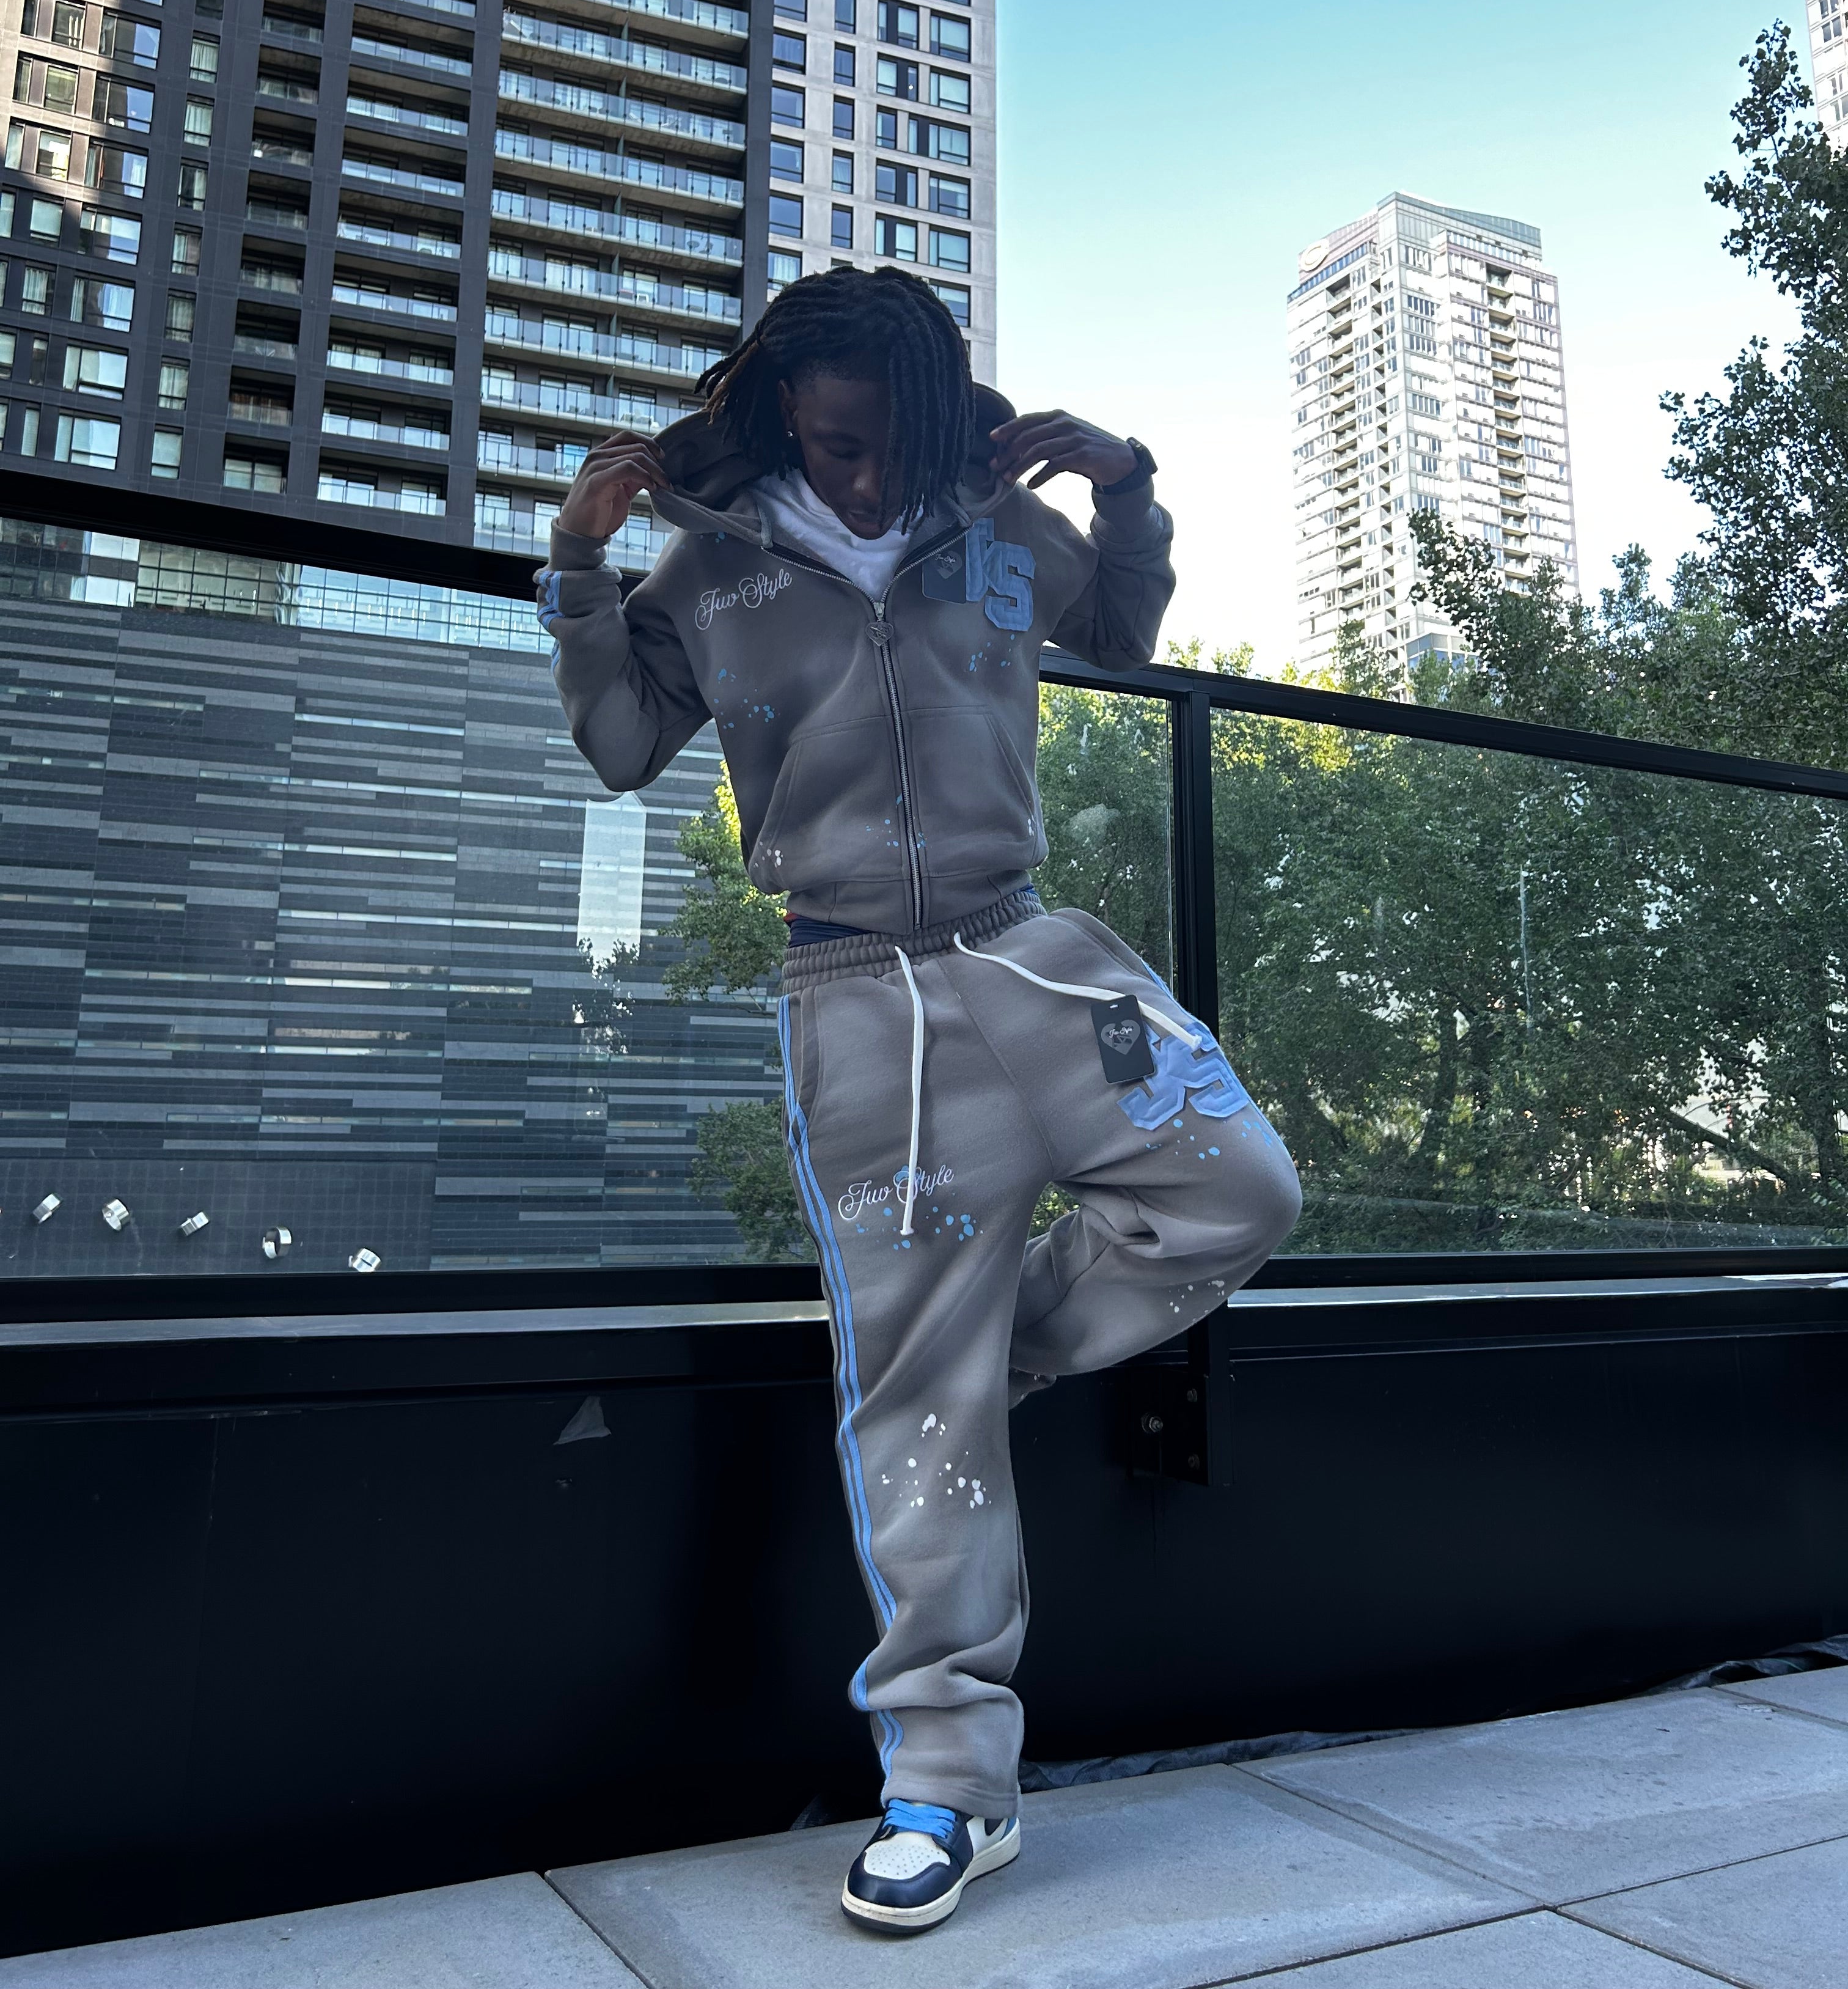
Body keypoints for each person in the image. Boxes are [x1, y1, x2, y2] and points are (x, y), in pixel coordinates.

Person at [539, 266, 1300, 1935]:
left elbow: (1120, 635)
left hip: (1034, 954)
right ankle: (949, 1787)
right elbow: (620, 744)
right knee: (915, 1418)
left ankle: (983, 1352)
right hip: (854, 1005)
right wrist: (580, 567)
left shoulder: (997, 526)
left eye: (894, 444)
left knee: (1242, 1187)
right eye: (838, 447)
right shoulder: (712, 564)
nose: (871, 479)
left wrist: (1129, 488)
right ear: (782, 420)